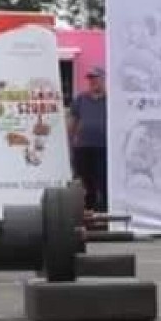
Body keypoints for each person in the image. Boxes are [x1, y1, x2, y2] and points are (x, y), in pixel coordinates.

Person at [68, 66, 108, 214]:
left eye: (95, 78)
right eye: (90, 79)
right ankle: (89, 211)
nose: (92, 82)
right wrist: (71, 142)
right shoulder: (80, 99)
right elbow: (72, 121)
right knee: (86, 180)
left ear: (103, 79)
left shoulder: (110, 100)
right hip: (83, 147)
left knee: (103, 180)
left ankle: (105, 210)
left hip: (104, 147)